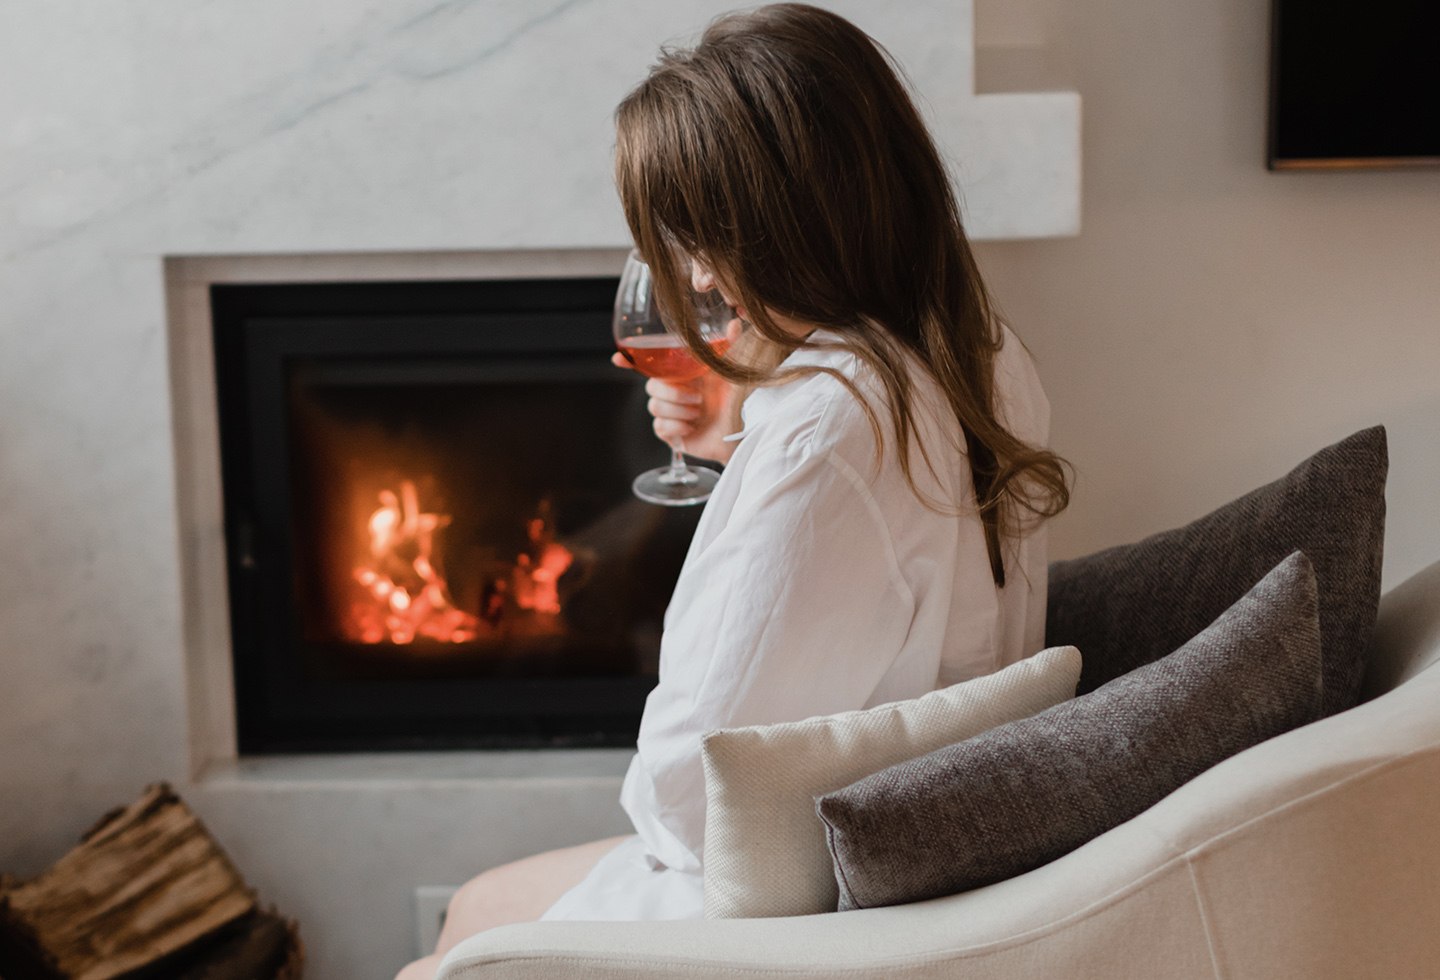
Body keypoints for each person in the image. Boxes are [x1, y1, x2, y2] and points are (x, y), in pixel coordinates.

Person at [394, 4, 1069, 977]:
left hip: (794, 896)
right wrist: (739, 442)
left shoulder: (831, 422)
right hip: (892, 841)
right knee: (481, 903)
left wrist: (767, 442)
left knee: (472, 919)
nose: (699, 278)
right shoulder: (976, 349)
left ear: (783, 226)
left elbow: (692, 785)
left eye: (704, 238)